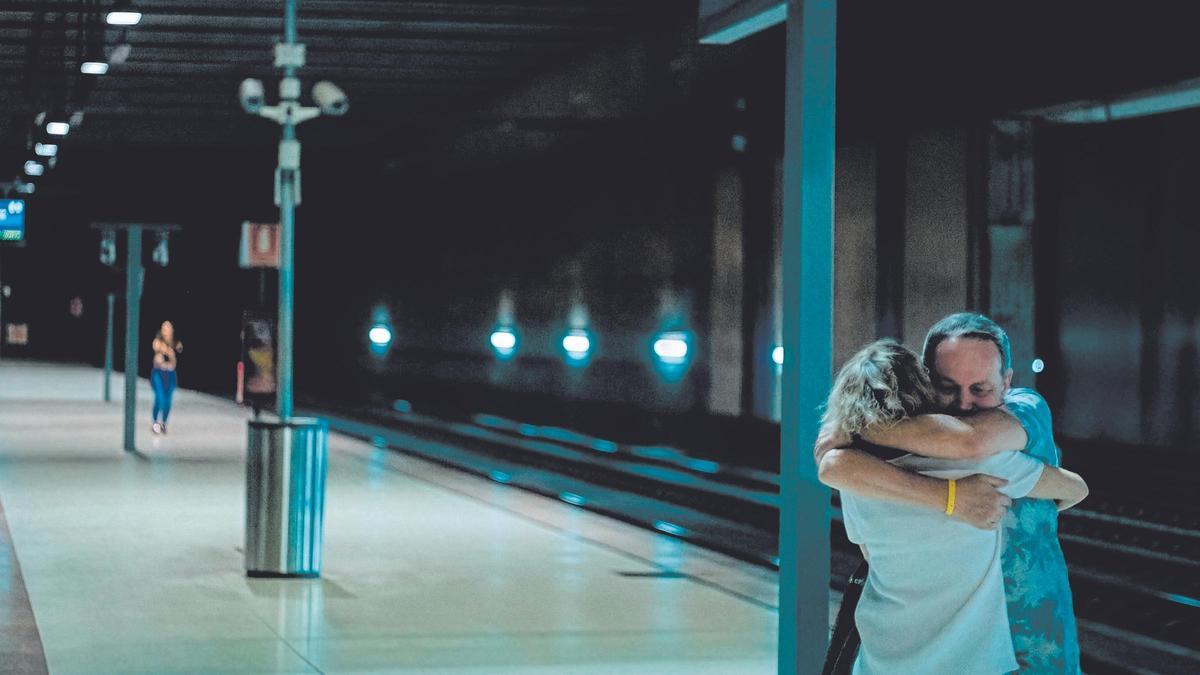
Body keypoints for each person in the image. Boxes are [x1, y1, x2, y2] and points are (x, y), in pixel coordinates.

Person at [817, 313, 1083, 673]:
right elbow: (1075, 488)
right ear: (925, 382)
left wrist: (863, 425)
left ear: (1006, 383)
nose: (964, 403)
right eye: (947, 387)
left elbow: (970, 441)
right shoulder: (988, 464)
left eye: (980, 389)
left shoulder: (1025, 408)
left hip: (900, 657)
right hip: (984, 656)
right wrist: (952, 497)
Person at [150, 320, 183, 434]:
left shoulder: (176, 343)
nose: (166, 331)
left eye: (168, 328)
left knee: (168, 400)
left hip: (170, 374)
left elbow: (176, 356)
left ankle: (163, 423)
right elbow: (159, 353)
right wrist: (169, 351)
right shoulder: (158, 341)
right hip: (159, 373)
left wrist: (172, 352)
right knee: (159, 398)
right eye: (164, 328)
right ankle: (155, 423)